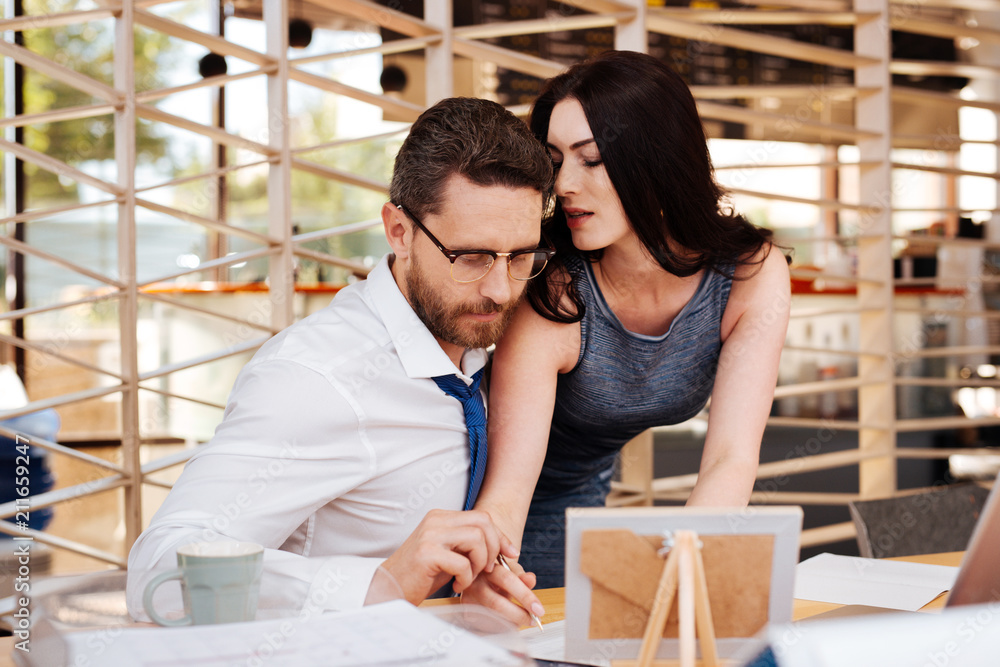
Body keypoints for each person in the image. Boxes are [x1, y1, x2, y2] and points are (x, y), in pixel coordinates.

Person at [126, 96, 553, 626]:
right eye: (471, 257)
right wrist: (382, 583)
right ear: (399, 232)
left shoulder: (478, 344)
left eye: (520, 257)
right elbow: (158, 569)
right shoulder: (317, 377)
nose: (498, 289)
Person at [468, 50, 791, 590]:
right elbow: (506, 491)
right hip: (474, 496)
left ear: (659, 159)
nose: (563, 184)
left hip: (581, 495)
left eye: (590, 159)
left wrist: (682, 570)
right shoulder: (555, 289)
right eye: (554, 161)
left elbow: (730, 460)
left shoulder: (750, 276)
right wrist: (489, 572)